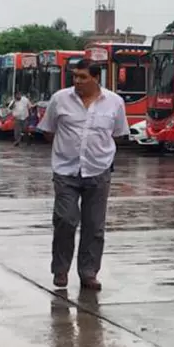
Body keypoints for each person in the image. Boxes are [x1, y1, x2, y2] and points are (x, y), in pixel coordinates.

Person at [37, 58, 129, 290]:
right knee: (66, 220)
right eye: (75, 76)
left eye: (82, 77)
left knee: (94, 226)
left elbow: (118, 134)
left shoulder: (114, 103)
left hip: (99, 170)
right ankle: (60, 270)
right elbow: (48, 131)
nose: (77, 81)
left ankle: (88, 272)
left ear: (96, 78)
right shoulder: (59, 100)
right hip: (66, 171)